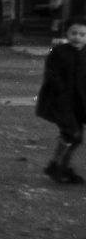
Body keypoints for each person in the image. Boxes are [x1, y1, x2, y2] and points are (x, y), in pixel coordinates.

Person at [35, 18, 86, 184]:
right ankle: (55, 164)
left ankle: (64, 168)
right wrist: (59, 90)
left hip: (80, 102)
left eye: (82, 34)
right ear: (67, 34)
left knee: (75, 137)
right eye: (74, 33)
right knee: (72, 133)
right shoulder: (58, 52)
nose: (77, 37)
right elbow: (51, 74)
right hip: (60, 101)